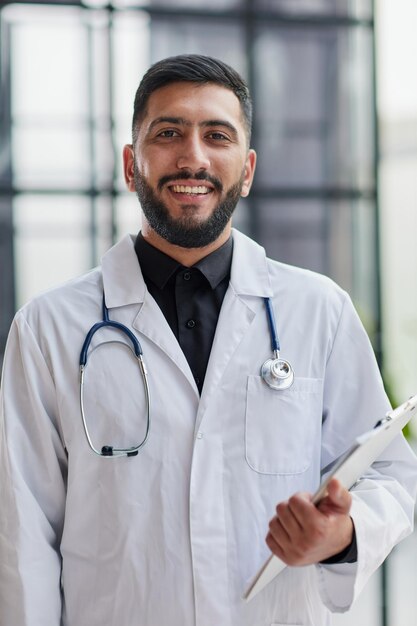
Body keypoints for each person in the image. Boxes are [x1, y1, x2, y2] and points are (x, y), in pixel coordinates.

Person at [0, 54, 416, 626]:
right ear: (130, 163)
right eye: (168, 133)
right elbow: (23, 536)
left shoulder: (319, 311)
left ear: (246, 169)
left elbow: (391, 474)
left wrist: (341, 534)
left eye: (216, 135)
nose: (192, 156)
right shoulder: (48, 329)